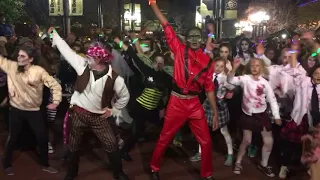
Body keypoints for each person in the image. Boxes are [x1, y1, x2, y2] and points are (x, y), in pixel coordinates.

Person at [48, 27, 130, 180]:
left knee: (111, 144)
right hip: (78, 114)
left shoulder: (115, 78)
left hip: (99, 118)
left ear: (99, 60)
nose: (87, 58)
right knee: (73, 145)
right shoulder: (82, 65)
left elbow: (125, 96)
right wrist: (55, 35)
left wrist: (113, 110)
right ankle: (72, 172)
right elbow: (67, 51)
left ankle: (118, 172)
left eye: (90, 57)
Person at [149, 1, 218, 180]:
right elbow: (165, 25)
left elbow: (209, 88)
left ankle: (207, 174)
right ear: (186, 39)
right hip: (176, 102)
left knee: (206, 141)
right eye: (191, 36)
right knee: (165, 137)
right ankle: (154, 168)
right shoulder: (179, 51)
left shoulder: (208, 62)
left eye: (198, 36)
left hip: (194, 104)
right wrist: (153, 4)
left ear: (202, 39)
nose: (194, 39)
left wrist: (215, 112)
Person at [0, 45, 62, 175]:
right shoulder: (11, 66)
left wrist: (56, 102)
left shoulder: (39, 71)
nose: (19, 58)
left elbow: (55, 85)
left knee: (42, 137)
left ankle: (45, 164)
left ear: (31, 59)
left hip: (34, 110)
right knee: (12, 137)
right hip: (16, 110)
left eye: (22, 56)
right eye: (18, 55)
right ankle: (6, 164)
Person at [228, 58, 281, 177]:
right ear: (249, 67)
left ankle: (264, 164)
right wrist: (234, 68)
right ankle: (238, 161)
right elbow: (230, 80)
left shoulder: (265, 83)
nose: (255, 67)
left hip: (261, 114)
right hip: (248, 114)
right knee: (247, 140)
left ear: (261, 68)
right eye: (252, 65)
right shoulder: (245, 79)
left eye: (257, 65)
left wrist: (276, 116)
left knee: (268, 141)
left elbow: (272, 100)